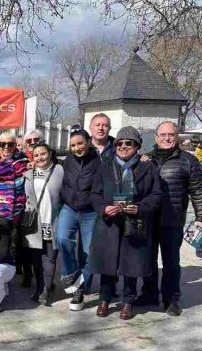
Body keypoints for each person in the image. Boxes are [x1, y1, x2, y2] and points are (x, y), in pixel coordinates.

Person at [137, 121, 202, 316]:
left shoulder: (188, 160)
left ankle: (171, 299)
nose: (167, 138)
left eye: (171, 134)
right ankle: (149, 293)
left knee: (171, 262)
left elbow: (199, 190)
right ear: (156, 137)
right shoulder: (146, 159)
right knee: (148, 260)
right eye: (163, 134)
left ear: (176, 137)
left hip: (173, 219)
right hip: (149, 220)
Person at [90, 126, 162, 320]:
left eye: (128, 143)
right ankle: (104, 298)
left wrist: (140, 208)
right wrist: (103, 208)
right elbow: (95, 194)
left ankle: (128, 301)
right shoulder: (104, 166)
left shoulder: (148, 167)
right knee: (107, 263)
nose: (123, 146)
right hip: (109, 222)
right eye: (119, 143)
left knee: (131, 264)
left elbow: (156, 195)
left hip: (135, 222)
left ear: (137, 146)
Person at [55, 129, 100, 312]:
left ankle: (80, 289)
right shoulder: (68, 161)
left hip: (90, 211)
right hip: (70, 208)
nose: (77, 148)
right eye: (73, 145)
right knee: (62, 238)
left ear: (88, 142)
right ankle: (72, 276)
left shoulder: (99, 161)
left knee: (88, 251)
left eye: (80, 143)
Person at [23, 143, 63, 306]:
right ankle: (39, 288)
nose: (40, 158)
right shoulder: (28, 173)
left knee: (50, 258)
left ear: (50, 153)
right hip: (34, 224)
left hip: (54, 220)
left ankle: (45, 290)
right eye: (36, 155)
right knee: (36, 260)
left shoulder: (60, 170)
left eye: (43, 154)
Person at [0, 132, 31, 286]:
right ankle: (2, 279)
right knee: (2, 246)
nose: (7, 147)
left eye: (10, 144)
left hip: (19, 209)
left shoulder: (23, 159)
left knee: (21, 244)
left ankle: (26, 275)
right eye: (3, 144)